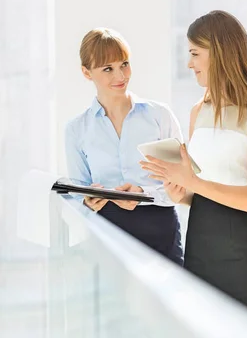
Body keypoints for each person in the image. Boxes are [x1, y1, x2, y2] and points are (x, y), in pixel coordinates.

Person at [140, 10, 247, 328]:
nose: (189, 63)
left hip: (246, 259)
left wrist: (192, 180)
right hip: (201, 249)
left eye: (195, 53)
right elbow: (206, 189)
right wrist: (180, 190)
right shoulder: (198, 111)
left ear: (219, 52)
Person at [65, 27, 184, 265]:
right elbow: (77, 193)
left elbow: (182, 186)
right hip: (107, 236)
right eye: (108, 68)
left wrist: (144, 194)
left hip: (160, 233)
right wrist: (86, 202)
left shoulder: (159, 115)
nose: (120, 76)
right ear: (86, 73)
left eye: (124, 64)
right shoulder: (77, 129)